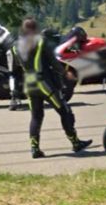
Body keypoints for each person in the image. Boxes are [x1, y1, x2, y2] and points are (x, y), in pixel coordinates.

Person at [13, 18, 91, 158]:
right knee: (64, 110)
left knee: (36, 116)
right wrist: (66, 73)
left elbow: (16, 68)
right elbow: (53, 62)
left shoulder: (15, 46)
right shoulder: (41, 41)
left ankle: (34, 149)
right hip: (43, 82)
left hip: (28, 84)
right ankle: (75, 142)